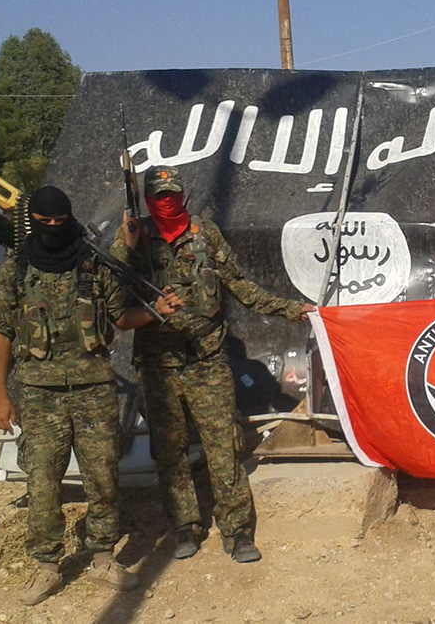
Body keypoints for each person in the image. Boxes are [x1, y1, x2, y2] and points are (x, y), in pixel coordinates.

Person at [0, 186, 181, 606]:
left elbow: (119, 317)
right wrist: (0, 394)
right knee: (42, 482)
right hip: (39, 393)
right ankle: (46, 566)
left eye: (60, 222)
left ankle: (103, 559)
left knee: (104, 477)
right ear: (33, 222)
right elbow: (1, 332)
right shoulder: (14, 271)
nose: (53, 228)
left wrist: (155, 312)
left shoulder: (93, 263)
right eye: (45, 222)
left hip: (93, 389)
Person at [112, 165, 314, 564]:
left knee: (224, 447)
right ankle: (184, 526)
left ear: (183, 195)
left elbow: (241, 285)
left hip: (206, 360)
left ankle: (237, 531)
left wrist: (291, 309)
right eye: (159, 196)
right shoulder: (135, 238)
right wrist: (128, 244)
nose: (167, 202)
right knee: (169, 452)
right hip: (158, 366)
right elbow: (114, 299)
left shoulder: (206, 234)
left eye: (173, 195)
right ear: (148, 199)